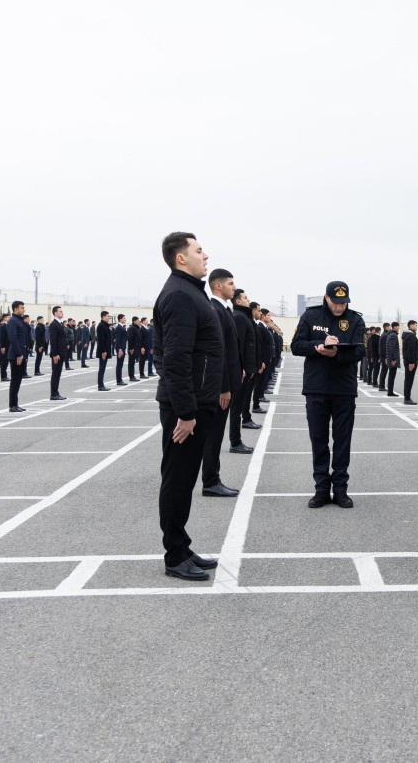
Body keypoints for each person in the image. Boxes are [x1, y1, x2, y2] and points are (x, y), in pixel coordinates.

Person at [154, 231, 223, 581]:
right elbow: (175, 358)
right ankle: (174, 555)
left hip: (196, 401)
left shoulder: (189, 292)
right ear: (181, 258)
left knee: (183, 480)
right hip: (187, 407)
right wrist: (185, 412)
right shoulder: (180, 296)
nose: (205, 255)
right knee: (178, 481)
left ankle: (181, 545)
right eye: (198, 250)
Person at [291, 280, 366, 509]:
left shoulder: (355, 319)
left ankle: (341, 490)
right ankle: (321, 489)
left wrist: (336, 355)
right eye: (336, 302)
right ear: (326, 298)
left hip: (344, 389)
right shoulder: (310, 317)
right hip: (316, 388)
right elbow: (296, 346)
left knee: (342, 441)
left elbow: (361, 351)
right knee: (319, 439)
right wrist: (318, 346)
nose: (339, 307)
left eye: (344, 303)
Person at [200, 268, 241, 497]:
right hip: (219, 386)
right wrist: (223, 387)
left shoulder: (224, 309)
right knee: (214, 435)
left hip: (226, 382)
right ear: (218, 286)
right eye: (231, 284)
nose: (234, 288)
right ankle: (210, 481)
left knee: (216, 433)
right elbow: (219, 353)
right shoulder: (215, 310)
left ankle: (213, 479)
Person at [231, 290, 260, 439]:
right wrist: (241, 367)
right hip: (242, 370)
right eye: (245, 297)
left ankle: (236, 438)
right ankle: (235, 440)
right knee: (236, 406)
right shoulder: (239, 318)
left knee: (241, 402)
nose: (248, 299)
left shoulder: (244, 316)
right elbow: (238, 345)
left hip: (248, 368)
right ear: (238, 301)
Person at [6, 301, 30, 412]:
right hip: (16, 355)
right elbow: (13, 339)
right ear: (15, 309)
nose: (23, 309)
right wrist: (19, 354)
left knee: (18, 381)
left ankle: (15, 404)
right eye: (22, 308)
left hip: (21, 354)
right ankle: (12, 405)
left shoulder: (19, 321)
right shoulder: (13, 321)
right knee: (15, 381)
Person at [46, 305, 70, 401]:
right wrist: (55, 354)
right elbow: (53, 341)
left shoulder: (60, 324)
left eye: (62, 311)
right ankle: (53, 394)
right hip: (57, 354)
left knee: (58, 373)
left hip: (61, 352)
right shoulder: (53, 324)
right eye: (60, 311)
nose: (62, 313)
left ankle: (56, 392)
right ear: (55, 313)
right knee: (55, 373)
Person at [401, 320, 418, 405]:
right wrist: (411, 362)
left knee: (408, 380)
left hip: (408, 361)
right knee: (409, 380)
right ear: (411, 326)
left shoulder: (407, 335)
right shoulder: (411, 336)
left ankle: (407, 397)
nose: (417, 326)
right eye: (415, 325)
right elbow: (410, 350)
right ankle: (407, 398)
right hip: (410, 362)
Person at [382, 322, 401, 397]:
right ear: (395, 327)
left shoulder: (390, 334)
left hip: (390, 358)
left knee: (391, 375)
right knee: (392, 376)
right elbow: (392, 348)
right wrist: (393, 359)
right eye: (398, 326)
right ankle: (390, 392)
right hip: (392, 359)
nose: (399, 328)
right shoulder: (393, 335)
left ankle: (390, 391)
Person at [96, 311, 113, 392]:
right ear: (103, 316)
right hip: (103, 351)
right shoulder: (101, 326)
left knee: (103, 368)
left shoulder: (105, 325)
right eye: (107, 316)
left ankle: (101, 384)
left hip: (105, 350)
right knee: (102, 368)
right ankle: (100, 385)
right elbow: (100, 340)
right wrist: (103, 351)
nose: (108, 317)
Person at [114, 314, 129, 386]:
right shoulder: (119, 328)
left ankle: (120, 379)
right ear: (120, 319)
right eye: (124, 318)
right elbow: (118, 339)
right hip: (120, 349)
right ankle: (119, 380)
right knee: (119, 365)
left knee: (121, 364)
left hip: (123, 348)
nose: (125, 319)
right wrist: (119, 349)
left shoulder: (122, 327)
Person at [0, 313, 11, 382]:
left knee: (6, 362)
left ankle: (5, 375)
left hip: (8, 346)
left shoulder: (8, 325)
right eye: (8, 317)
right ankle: (3, 376)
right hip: (5, 347)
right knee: (4, 362)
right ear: (4, 318)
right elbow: (2, 337)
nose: (9, 318)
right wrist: (2, 347)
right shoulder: (3, 326)